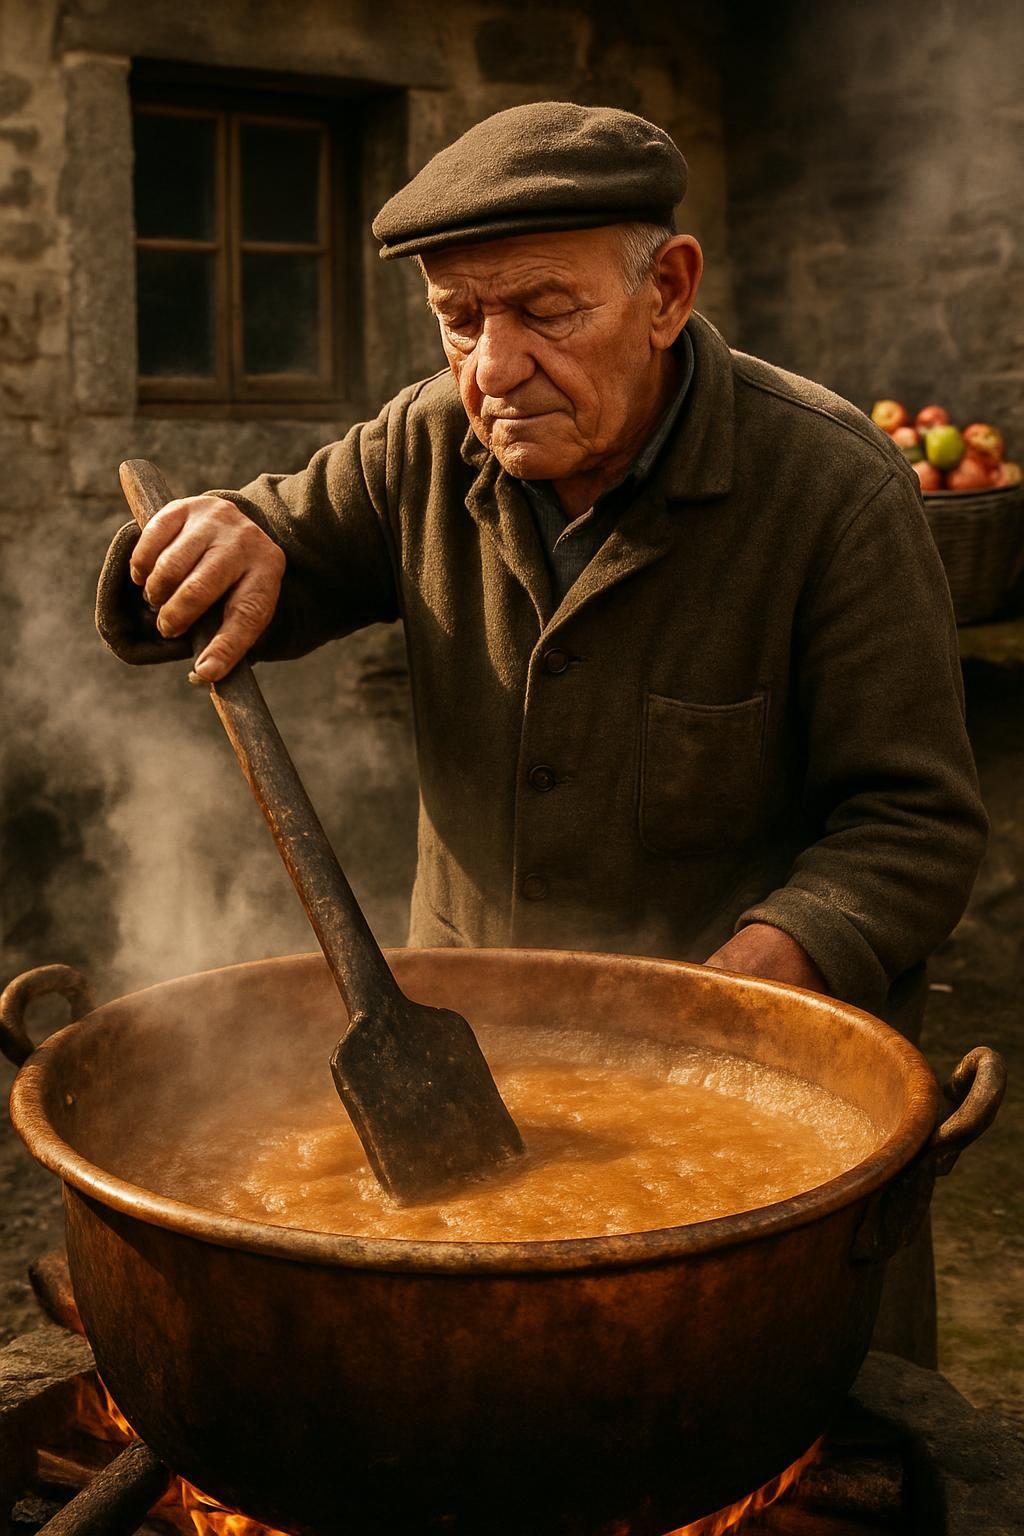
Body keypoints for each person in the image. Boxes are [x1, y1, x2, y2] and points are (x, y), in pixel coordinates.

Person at [98, 102, 986, 1363]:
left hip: (750, 1123)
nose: (493, 367)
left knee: (762, 1415)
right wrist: (225, 535)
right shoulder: (425, 445)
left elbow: (912, 824)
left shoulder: (832, 490)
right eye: (459, 320)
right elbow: (278, 541)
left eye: (543, 312)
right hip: (463, 1061)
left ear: (666, 292)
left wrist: (740, 997)